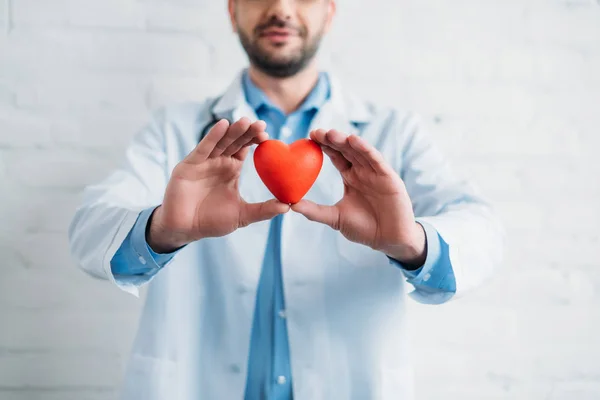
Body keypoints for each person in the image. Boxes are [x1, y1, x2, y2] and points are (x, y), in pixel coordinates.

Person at [68, 0, 504, 399]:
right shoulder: (174, 131)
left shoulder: (395, 133)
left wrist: (413, 243)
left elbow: (480, 229)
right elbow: (92, 227)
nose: (280, 8)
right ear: (233, 11)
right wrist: (160, 230)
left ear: (330, 13)